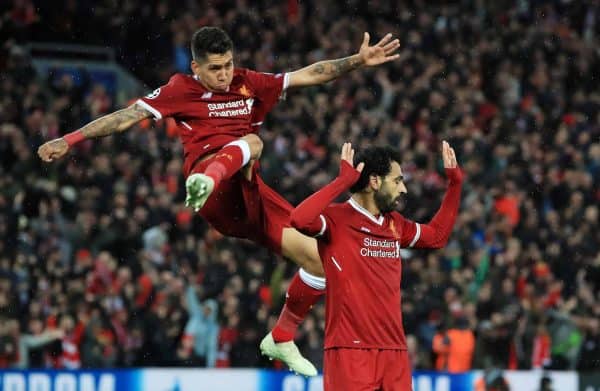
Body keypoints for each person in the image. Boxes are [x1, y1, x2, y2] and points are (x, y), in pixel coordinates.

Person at [37, 26, 400, 375]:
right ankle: (204, 182)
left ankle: (282, 336)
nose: (225, 74)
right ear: (196, 67)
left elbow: (308, 75)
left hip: (251, 193)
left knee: (322, 260)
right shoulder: (180, 89)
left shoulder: (245, 81)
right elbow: (127, 117)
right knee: (255, 144)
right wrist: (68, 140)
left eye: (227, 64)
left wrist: (357, 59)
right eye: (215, 68)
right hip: (214, 187)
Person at [289, 141, 463, 390]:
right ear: (374, 182)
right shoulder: (337, 219)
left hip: (394, 352)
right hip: (350, 350)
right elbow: (299, 219)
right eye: (397, 180)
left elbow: (437, 236)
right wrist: (341, 183)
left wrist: (455, 184)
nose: (403, 189)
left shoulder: (396, 224)